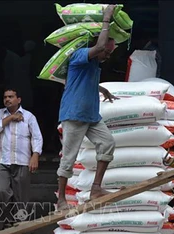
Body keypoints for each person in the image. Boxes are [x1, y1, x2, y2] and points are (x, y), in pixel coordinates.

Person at [56, 5, 119, 211]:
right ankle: (61, 200)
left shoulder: (94, 65)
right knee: (69, 157)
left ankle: (96, 188)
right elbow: (100, 48)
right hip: (74, 114)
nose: (106, 56)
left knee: (107, 143)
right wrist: (107, 19)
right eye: (106, 52)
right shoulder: (80, 55)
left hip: (91, 115)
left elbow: (84, 81)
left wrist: (102, 89)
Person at [0, 87, 43, 228]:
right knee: (0, 191)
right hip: (2, 161)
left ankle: (20, 226)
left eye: (11, 96)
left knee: (21, 197)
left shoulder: (29, 116)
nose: (7, 99)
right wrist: (11, 118)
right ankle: (6, 221)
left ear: (18, 100)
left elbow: (37, 137)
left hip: (22, 161)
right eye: (5, 97)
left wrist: (35, 155)